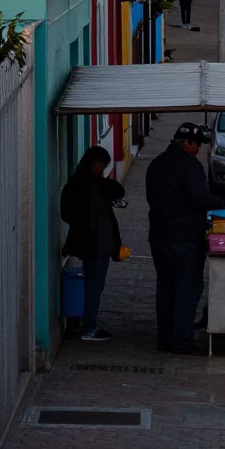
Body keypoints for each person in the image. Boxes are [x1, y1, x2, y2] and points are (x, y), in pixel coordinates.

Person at [145, 122, 214, 354]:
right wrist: (221, 203)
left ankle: (165, 339)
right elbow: (199, 199)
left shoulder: (155, 165)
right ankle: (182, 342)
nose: (198, 150)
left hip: (158, 237)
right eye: (197, 145)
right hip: (185, 240)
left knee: (165, 288)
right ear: (186, 143)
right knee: (188, 289)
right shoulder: (191, 167)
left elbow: (150, 198)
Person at [60, 146, 125, 342]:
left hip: (86, 242)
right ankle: (89, 328)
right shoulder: (95, 185)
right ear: (95, 164)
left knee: (91, 284)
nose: (102, 170)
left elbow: (66, 213)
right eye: (102, 166)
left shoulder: (74, 183)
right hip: (98, 243)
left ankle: (88, 323)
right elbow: (119, 190)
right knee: (95, 286)